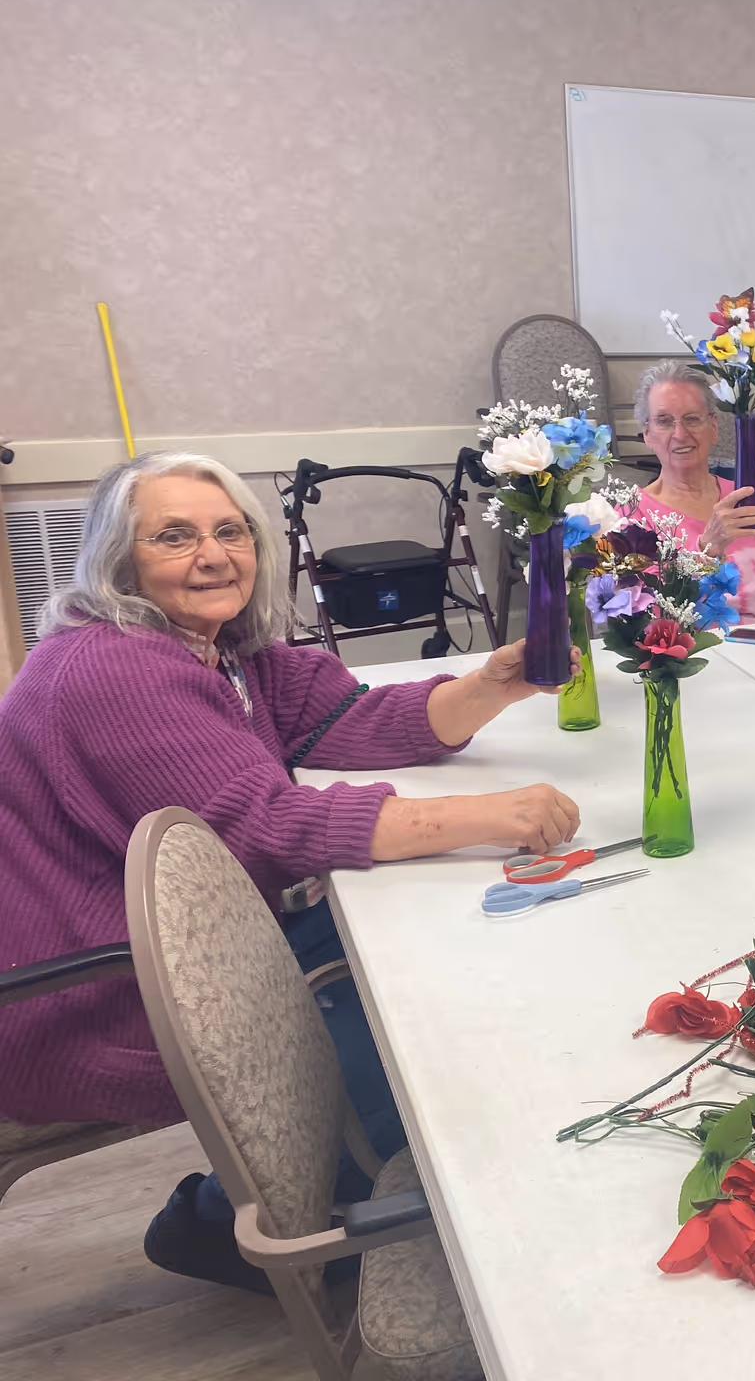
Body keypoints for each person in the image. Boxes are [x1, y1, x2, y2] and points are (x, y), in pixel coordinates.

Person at [0, 451, 580, 1288]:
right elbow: (262, 828)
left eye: (229, 531)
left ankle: (349, 1188)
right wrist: (487, 816)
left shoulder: (218, 649)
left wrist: (490, 685)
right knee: (401, 1004)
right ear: (120, 560)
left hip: (170, 942)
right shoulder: (110, 669)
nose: (212, 555)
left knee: (407, 953)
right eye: (174, 536)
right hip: (90, 988)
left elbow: (343, 719)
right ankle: (252, 1225)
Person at [624, 361, 755, 623]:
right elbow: (644, 618)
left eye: (692, 419)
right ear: (647, 434)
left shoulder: (751, 501)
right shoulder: (632, 517)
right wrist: (706, 551)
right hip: (690, 661)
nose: (680, 434)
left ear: (714, 427)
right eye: (664, 421)